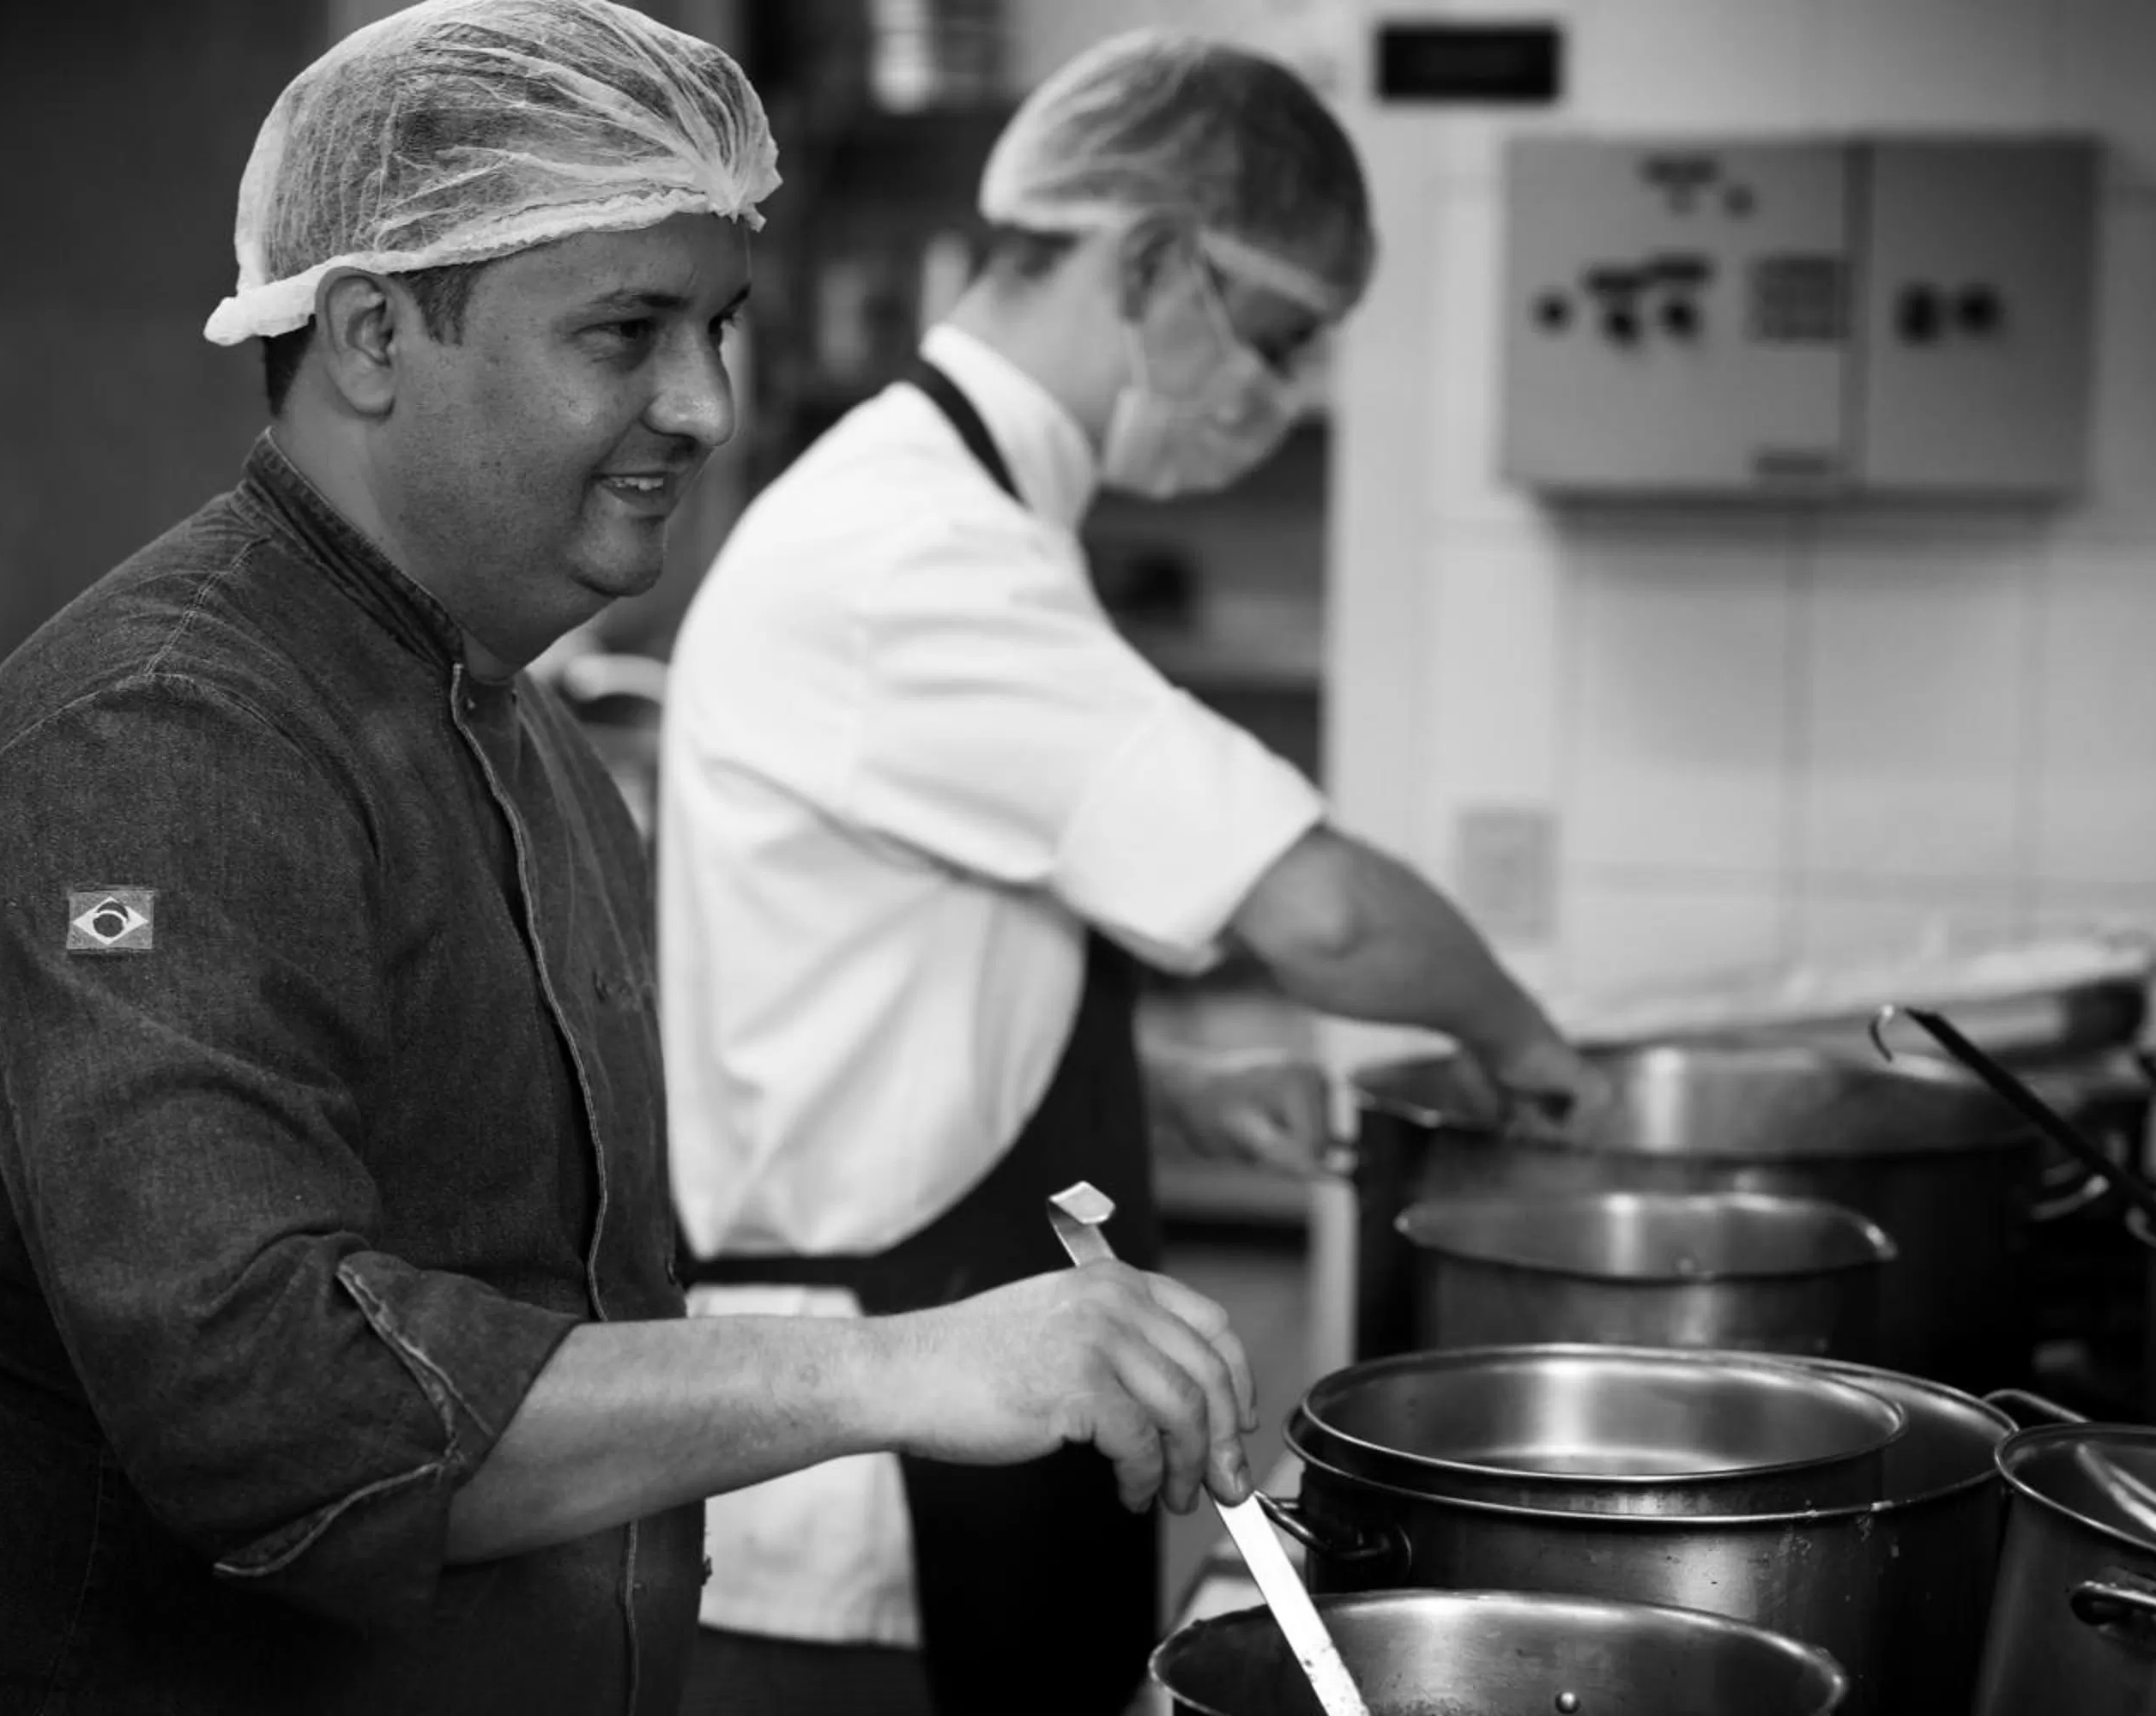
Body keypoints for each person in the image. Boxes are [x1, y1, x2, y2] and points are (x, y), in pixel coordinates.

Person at [0, 7, 1259, 1713]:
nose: (706, 404)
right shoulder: (158, 747)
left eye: (717, 325)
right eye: (626, 330)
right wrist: (898, 1371)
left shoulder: (521, 732)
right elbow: (272, 1408)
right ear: (371, 332)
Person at [659, 29, 1606, 1716]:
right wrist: (1533, 1051)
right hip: (862, 1506)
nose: (1277, 396)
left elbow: (893, 991)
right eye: (1280, 340)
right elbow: (1323, 912)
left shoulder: (965, 515)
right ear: (1158, 263)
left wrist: (1166, 1090)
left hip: (958, 1414)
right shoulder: (909, 547)